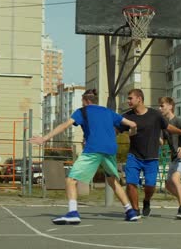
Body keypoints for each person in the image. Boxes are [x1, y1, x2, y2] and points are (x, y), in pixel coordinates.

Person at [30, 89, 140, 225]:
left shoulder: (82, 111)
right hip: (110, 149)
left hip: (94, 149)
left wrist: (44, 138)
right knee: (112, 180)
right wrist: (132, 134)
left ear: (86, 100)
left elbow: (64, 126)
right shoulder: (108, 112)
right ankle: (130, 212)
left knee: (71, 180)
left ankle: (72, 212)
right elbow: (133, 124)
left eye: (82, 101)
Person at [119, 89, 181, 218]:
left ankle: (147, 200)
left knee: (150, 186)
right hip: (134, 155)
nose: (128, 101)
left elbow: (167, 127)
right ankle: (135, 210)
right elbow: (116, 129)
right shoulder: (128, 116)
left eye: (130, 98)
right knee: (131, 183)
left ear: (139, 99)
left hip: (151, 158)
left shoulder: (155, 115)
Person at [158, 96, 181, 219]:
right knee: (168, 185)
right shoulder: (163, 125)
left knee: (175, 179)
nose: (160, 108)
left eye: (162, 106)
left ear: (170, 106)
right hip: (174, 157)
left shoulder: (178, 122)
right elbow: (161, 142)